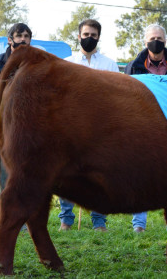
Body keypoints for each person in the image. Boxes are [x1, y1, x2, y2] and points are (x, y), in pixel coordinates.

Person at [58, 19, 119, 232]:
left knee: (98, 175)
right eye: (85, 34)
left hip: (99, 128)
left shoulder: (110, 64)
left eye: (93, 35)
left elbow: (114, 96)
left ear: (98, 37)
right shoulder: (66, 63)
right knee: (66, 173)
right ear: (78, 36)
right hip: (71, 127)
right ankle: (66, 219)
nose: (89, 38)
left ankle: (99, 221)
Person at [125, 23, 167, 232]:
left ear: (165, 41)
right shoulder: (134, 65)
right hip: (141, 124)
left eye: (159, 38)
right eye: (152, 38)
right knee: (140, 171)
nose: (156, 42)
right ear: (145, 41)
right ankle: (139, 223)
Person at [0, 22, 33, 233]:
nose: (23, 39)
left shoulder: (34, 64)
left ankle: (22, 221)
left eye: (27, 36)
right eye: (19, 35)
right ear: (9, 39)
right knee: (0, 174)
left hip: (26, 130)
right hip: (0, 128)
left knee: (23, 175)